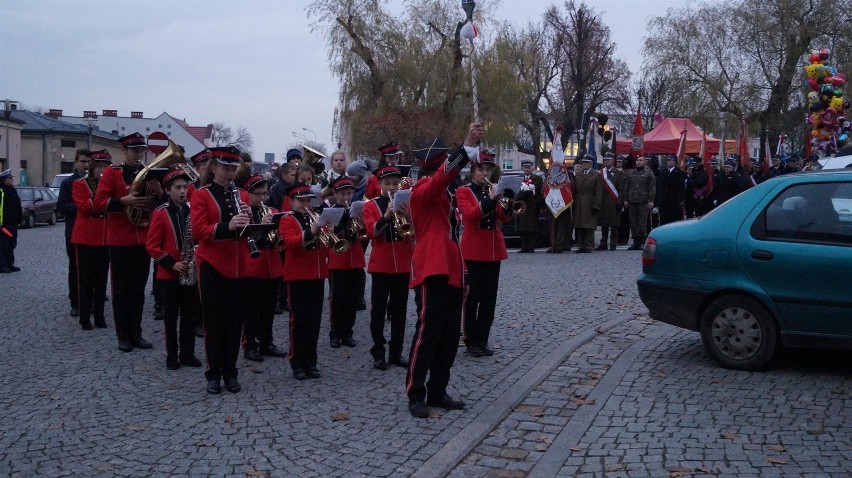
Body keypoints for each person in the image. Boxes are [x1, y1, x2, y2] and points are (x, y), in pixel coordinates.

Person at [406, 123, 482, 418]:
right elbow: (441, 178)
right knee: (427, 332)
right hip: (430, 266)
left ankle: (438, 389)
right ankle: (415, 392)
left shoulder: (445, 194)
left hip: (450, 265)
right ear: (436, 166)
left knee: (449, 335)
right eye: (444, 166)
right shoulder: (422, 189)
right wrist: (464, 147)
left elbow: (453, 235)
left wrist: (463, 274)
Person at [191, 146, 253, 394]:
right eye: (225, 168)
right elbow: (199, 232)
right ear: (214, 167)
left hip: (239, 265)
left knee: (235, 322)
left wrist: (251, 218)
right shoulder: (201, 195)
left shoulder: (244, 195)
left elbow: (247, 230)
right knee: (215, 322)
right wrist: (228, 226)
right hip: (213, 265)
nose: (230, 173)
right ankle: (213, 373)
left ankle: (231, 371)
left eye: (233, 168)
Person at [94, 132, 159, 352]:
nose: (139, 154)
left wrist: (157, 194)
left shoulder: (147, 172)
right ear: (124, 151)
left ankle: (136, 333)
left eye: (141, 150)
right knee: (121, 289)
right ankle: (123, 335)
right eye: (134, 151)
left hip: (142, 238)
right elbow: (99, 202)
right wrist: (123, 201)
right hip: (120, 238)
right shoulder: (113, 173)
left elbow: (156, 204)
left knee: (138, 289)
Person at [145, 170, 202, 370]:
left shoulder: (191, 210)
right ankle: (172, 355)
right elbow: (152, 246)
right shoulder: (160, 213)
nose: (183, 191)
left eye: (185, 187)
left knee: (189, 315)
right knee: (170, 317)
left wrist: (194, 256)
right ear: (168, 190)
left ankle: (188, 353)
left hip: (189, 269)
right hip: (169, 273)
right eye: (178, 188)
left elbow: (197, 238)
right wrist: (172, 263)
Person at [456, 152, 509, 357]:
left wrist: (507, 200)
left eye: (487, 170)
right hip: (474, 250)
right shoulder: (464, 191)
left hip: (494, 249)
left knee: (489, 299)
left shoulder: (493, 190)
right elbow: (471, 215)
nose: (484, 173)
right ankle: (470, 339)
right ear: (473, 172)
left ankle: (483, 338)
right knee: (472, 298)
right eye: (480, 170)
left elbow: (504, 217)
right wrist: (492, 199)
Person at [362, 166, 412, 371]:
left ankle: (396, 352)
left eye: (394, 183)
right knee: (378, 311)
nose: (391, 187)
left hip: (402, 263)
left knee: (400, 311)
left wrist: (407, 217)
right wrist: (386, 216)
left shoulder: (406, 202)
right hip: (381, 264)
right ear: (380, 185)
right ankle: (378, 351)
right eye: (387, 184)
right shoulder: (371, 205)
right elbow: (371, 232)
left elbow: (413, 230)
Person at [279, 185, 329, 380]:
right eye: (301, 201)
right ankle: (297, 361)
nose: (306, 204)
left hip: (317, 274)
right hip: (298, 276)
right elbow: (291, 243)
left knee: (314, 321)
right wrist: (313, 231)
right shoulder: (287, 220)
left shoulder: (316, 218)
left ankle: (311, 361)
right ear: (292, 202)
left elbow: (324, 248)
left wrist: (327, 233)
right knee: (298, 321)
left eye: (308, 200)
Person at [239, 175, 286, 362]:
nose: (262, 198)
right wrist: (263, 227)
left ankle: (267, 342)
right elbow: (247, 242)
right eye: (258, 194)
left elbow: (279, 240)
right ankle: (249, 345)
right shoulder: (244, 213)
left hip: (272, 265)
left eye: (265, 194)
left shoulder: (273, 210)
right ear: (248, 195)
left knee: (268, 308)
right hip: (252, 266)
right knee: (251, 309)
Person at [71, 150, 111, 330]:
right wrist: (101, 196)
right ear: (92, 167)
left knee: (101, 279)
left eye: (105, 166)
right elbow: (85, 207)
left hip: (104, 237)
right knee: (85, 280)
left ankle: (100, 316)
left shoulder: (108, 186)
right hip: (86, 237)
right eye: (99, 166)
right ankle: (85, 317)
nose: (102, 170)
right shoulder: (79, 184)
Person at [326, 177, 365, 349]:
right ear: (335, 194)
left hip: (355, 259)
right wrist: (343, 221)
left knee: (352, 298)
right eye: (343, 194)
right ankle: (335, 333)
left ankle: (348, 332)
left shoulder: (356, 210)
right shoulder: (330, 211)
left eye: (349, 193)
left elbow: (364, 235)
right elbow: (329, 235)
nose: (347, 197)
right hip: (338, 259)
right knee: (338, 299)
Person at [57, 149, 90, 316]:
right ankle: (75, 302)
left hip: (92, 232)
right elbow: (61, 207)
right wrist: (82, 207)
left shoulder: (94, 182)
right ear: (76, 163)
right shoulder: (68, 183)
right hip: (73, 231)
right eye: (83, 161)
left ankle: (90, 299)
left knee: (93, 268)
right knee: (75, 268)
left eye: (88, 162)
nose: (86, 165)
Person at [623, 155, 656, 250]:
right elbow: (626, 187)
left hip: (643, 201)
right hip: (632, 200)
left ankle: (642, 241)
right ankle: (635, 241)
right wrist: (625, 199)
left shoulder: (649, 173)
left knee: (642, 222)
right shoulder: (631, 173)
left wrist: (651, 200)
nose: (638, 162)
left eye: (641, 160)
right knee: (633, 222)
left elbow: (652, 188)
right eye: (637, 160)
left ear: (645, 162)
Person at [573, 155, 603, 253]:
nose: (584, 164)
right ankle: (581, 245)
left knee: (589, 225)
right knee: (580, 225)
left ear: (591, 163)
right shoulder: (578, 174)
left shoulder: (596, 175)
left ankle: (589, 245)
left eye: (586, 162)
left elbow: (599, 192)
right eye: (583, 162)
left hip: (590, 201)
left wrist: (596, 205)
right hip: (579, 201)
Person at [596, 153, 626, 250]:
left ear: (613, 161)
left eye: (608, 160)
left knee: (614, 224)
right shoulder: (600, 173)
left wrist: (620, 202)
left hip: (614, 201)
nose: (606, 161)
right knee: (604, 224)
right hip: (603, 201)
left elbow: (622, 189)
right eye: (605, 160)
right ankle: (603, 243)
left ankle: (613, 243)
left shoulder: (619, 173)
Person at [514, 159, 543, 253]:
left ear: (532, 168)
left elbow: (539, 192)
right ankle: (524, 246)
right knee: (522, 228)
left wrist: (538, 204)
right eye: (525, 167)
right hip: (521, 206)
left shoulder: (537, 179)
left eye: (528, 167)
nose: (526, 169)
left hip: (532, 206)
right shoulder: (519, 179)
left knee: (532, 228)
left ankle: (531, 246)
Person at [0, 169, 22, 273]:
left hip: (13, 223)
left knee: (12, 244)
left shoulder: (13, 191)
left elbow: (18, 206)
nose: (11, 180)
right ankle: (2, 265)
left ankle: (10, 264)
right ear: (4, 180)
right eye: (9, 178)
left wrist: (20, 219)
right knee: (3, 245)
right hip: (3, 224)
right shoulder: (1, 191)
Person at [657, 155, 686, 225]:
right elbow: (659, 186)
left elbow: (681, 187)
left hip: (673, 199)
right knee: (663, 219)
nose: (668, 162)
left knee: (673, 219)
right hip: (664, 200)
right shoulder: (662, 172)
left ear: (674, 162)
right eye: (667, 160)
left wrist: (680, 199)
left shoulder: (679, 173)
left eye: (670, 160)